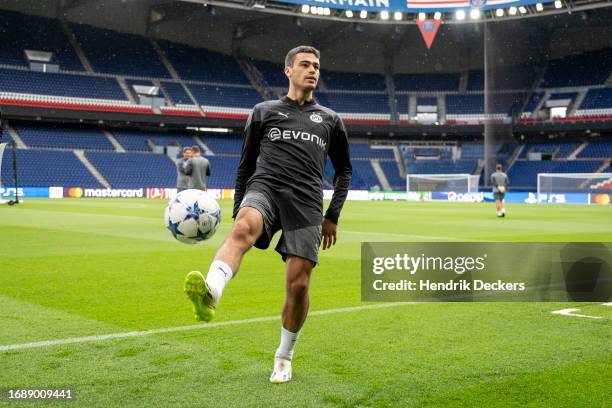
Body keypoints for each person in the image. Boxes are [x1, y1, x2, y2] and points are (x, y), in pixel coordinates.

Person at [183, 45, 352, 384]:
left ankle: (284, 356)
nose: (312, 70)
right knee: (244, 227)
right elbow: (245, 166)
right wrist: (237, 209)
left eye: (316, 66)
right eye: (304, 64)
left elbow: (344, 170)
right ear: (287, 70)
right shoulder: (263, 111)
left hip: (306, 202)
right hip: (266, 189)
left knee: (299, 283)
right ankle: (211, 292)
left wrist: (332, 215)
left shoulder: (331, 120)